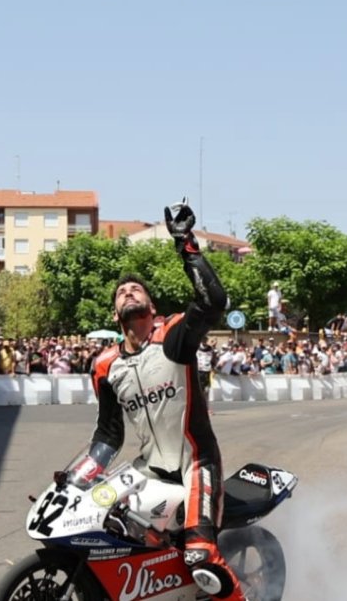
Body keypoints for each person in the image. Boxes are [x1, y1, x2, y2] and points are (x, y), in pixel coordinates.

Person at [88, 200, 244, 601]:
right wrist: (76, 481)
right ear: (115, 310)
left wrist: (185, 243)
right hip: (149, 468)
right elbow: (107, 436)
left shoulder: (172, 337)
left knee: (201, 556)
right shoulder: (105, 366)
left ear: (150, 306)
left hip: (196, 463)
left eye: (135, 288)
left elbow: (212, 302)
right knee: (98, 523)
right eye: (121, 292)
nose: (127, 292)